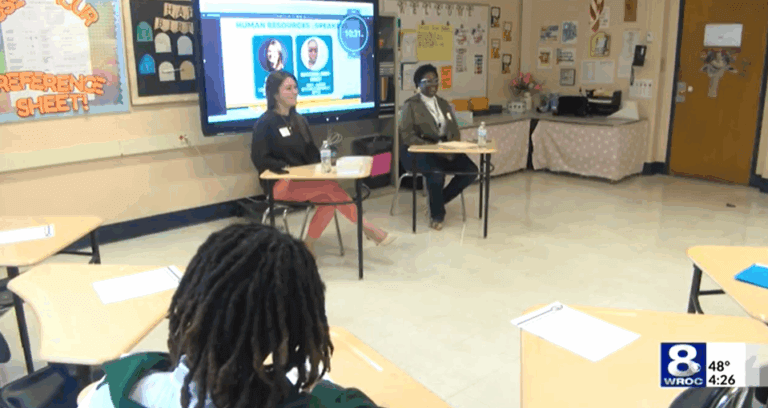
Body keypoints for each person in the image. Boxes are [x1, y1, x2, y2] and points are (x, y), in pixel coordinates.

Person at [78, 223, 381, 408]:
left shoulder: (118, 388)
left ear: (192, 299)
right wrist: (322, 388)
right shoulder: (324, 403)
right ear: (294, 332)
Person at [251, 71, 396, 257]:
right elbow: (260, 159)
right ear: (275, 94)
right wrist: (287, 167)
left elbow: (311, 155)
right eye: (288, 88)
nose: (295, 92)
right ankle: (368, 228)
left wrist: (327, 159)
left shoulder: (300, 121)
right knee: (330, 190)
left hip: (305, 181)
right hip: (279, 184)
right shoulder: (264, 123)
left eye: (295, 87)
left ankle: (308, 244)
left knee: (330, 196)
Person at [399, 64, 478, 231]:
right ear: (417, 85)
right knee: (436, 174)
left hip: (445, 149)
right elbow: (407, 136)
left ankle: (439, 201)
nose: (432, 84)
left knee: (471, 170)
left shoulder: (443, 104)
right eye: (427, 81)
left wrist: (451, 148)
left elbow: (454, 130)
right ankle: (437, 215)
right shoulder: (410, 105)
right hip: (420, 151)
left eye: (435, 80)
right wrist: (434, 147)